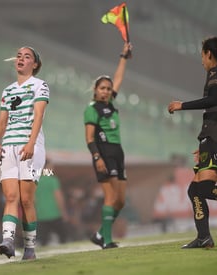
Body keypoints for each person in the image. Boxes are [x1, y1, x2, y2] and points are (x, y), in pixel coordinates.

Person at [168, 33, 217, 248]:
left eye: (202, 55)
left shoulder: (216, 72)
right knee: (195, 190)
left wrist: (181, 105)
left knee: (203, 189)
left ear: (209, 54)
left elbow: (212, 100)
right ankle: (204, 237)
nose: (202, 60)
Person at [0, 46, 49, 260]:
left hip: (29, 146)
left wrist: (31, 143)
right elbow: (2, 120)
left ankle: (30, 248)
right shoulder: (7, 90)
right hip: (9, 147)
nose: (21, 59)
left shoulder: (40, 86)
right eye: (18, 56)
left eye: (27, 57)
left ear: (35, 64)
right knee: (11, 196)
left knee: (26, 200)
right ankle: (7, 240)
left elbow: (39, 115)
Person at [84, 42, 132, 249]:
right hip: (103, 153)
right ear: (95, 90)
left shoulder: (110, 104)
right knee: (110, 197)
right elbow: (89, 138)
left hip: (118, 153)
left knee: (120, 201)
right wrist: (97, 157)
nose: (106, 91)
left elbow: (119, 78)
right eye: (102, 88)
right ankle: (107, 240)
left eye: (108, 89)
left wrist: (123, 56)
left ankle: (100, 234)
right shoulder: (92, 109)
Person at [35, 158, 69, 246]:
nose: (52, 169)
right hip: (55, 213)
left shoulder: (35, 181)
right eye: (51, 167)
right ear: (45, 167)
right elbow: (59, 197)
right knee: (63, 238)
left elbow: (33, 199)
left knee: (43, 241)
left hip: (41, 214)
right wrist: (63, 212)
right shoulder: (53, 180)